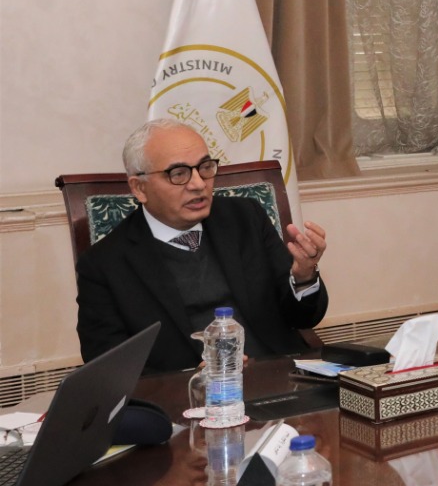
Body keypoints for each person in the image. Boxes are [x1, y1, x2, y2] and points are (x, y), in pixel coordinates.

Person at [75, 119, 330, 373]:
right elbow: (108, 365)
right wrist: (188, 380)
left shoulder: (245, 218)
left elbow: (303, 317)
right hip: (186, 392)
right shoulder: (103, 265)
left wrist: (304, 277)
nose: (198, 184)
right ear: (140, 188)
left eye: (205, 168)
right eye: (178, 174)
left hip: (278, 374)